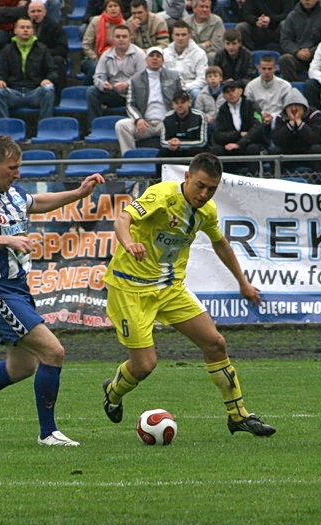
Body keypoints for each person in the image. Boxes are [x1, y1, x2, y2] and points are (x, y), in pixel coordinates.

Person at [0, 136, 105, 447]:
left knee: (22, 367)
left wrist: (78, 193)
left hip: (17, 288)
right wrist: (6, 240)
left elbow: (37, 203)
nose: (17, 173)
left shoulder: (11, 193)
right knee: (54, 351)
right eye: (12, 168)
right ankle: (48, 433)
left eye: (19, 167)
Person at [101, 151, 276, 437]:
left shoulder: (206, 211)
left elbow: (221, 244)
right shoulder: (161, 196)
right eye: (200, 185)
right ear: (187, 177)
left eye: (212, 189)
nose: (205, 194)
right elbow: (122, 220)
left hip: (169, 288)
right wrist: (130, 242)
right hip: (129, 288)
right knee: (145, 365)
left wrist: (242, 283)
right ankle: (113, 391)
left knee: (215, 343)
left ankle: (238, 415)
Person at [115, 46, 183, 154]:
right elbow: (130, 104)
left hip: (167, 122)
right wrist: (138, 119)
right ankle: (130, 159)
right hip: (145, 123)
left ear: (163, 60)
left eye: (158, 56)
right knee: (121, 125)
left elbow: (183, 98)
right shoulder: (135, 79)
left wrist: (173, 118)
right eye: (151, 56)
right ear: (146, 59)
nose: (155, 59)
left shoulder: (174, 76)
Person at [0, 17, 59, 119]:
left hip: (34, 92)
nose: (25, 30)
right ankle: (4, 127)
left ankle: (44, 125)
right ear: (15, 30)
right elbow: (1, 72)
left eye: (28, 27)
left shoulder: (42, 49)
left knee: (49, 89)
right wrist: (0, 80)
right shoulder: (7, 49)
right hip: (13, 93)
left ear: (33, 31)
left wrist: (48, 79)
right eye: (22, 27)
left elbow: (52, 71)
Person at [87, 24, 147, 124]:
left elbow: (143, 78)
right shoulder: (106, 55)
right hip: (113, 92)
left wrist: (128, 84)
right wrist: (103, 84)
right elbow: (98, 76)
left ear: (130, 38)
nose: (121, 39)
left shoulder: (139, 54)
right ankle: (94, 126)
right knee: (91, 91)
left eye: (124, 36)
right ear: (113, 39)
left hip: (133, 94)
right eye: (118, 37)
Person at [209, 79, 268, 174]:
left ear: (240, 91)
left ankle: (254, 177)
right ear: (223, 95)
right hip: (229, 145)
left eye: (233, 90)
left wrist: (240, 143)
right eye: (227, 92)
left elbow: (258, 128)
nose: (231, 94)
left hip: (249, 143)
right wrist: (238, 135)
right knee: (216, 150)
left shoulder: (252, 105)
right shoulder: (222, 110)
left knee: (252, 148)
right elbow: (218, 134)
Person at [270, 88, 321, 171]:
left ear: (303, 106)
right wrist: (291, 123)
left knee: (317, 149)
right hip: (288, 153)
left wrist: (299, 122)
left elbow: (314, 138)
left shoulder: (315, 115)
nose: (293, 109)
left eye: (297, 105)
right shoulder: (281, 117)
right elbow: (277, 140)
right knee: (274, 151)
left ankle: (318, 182)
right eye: (290, 106)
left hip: (308, 152)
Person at [278, 0, 321, 83]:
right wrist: (297, 51)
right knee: (285, 60)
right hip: (298, 57)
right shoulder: (292, 16)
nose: (307, 0)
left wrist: (312, 51)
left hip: (319, 56)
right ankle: (295, 86)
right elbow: (285, 40)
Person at [81, 0, 128, 85]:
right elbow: (86, 44)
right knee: (94, 67)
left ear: (120, 8)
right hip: (94, 58)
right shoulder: (96, 21)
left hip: (116, 59)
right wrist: (97, 58)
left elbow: (126, 46)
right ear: (105, 9)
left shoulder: (124, 24)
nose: (113, 9)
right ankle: (86, 93)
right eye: (110, 6)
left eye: (115, 6)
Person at [28, 0, 69, 92]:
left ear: (45, 12)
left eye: (39, 11)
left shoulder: (54, 27)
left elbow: (62, 49)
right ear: (28, 13)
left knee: (58, 60)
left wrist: (43, 53)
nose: (36, 14)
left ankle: (58, 95)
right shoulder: (23, 27)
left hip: (47, 58)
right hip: (26, 57)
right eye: (33, 11)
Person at [163, 21, 209, 101]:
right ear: (172, 36)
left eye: (183, 35)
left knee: (197, 93)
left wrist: (184, 87)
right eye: (177, 35)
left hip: (191, 88)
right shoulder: (165, 53)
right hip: (170, 87)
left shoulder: (200, 53)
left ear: (189, 36)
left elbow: (202, 79)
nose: (180, 38)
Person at [243, 52, 291, 127]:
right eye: (264, 69)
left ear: (275, 68)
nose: (266, 72)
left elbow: (288, 107)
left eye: (269, 69)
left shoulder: (285, 86)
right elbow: (248, 109)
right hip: (257, 121)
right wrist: (261, 115)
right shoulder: (251, 86)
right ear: (259, 68)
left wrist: (273, 116)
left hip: (280, 121)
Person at [159, 89, 209, 158]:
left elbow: (202, 142)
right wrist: (171, 144)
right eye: (176, 103)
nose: (179, 105)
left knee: (199, 151)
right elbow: (163, 142)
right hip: (174, 150)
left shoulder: (200, 116)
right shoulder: (167, 118)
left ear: (189, 103)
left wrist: (180, 144)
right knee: (162, 153)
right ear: (172, 104)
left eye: (182, 102)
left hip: (193, 150)